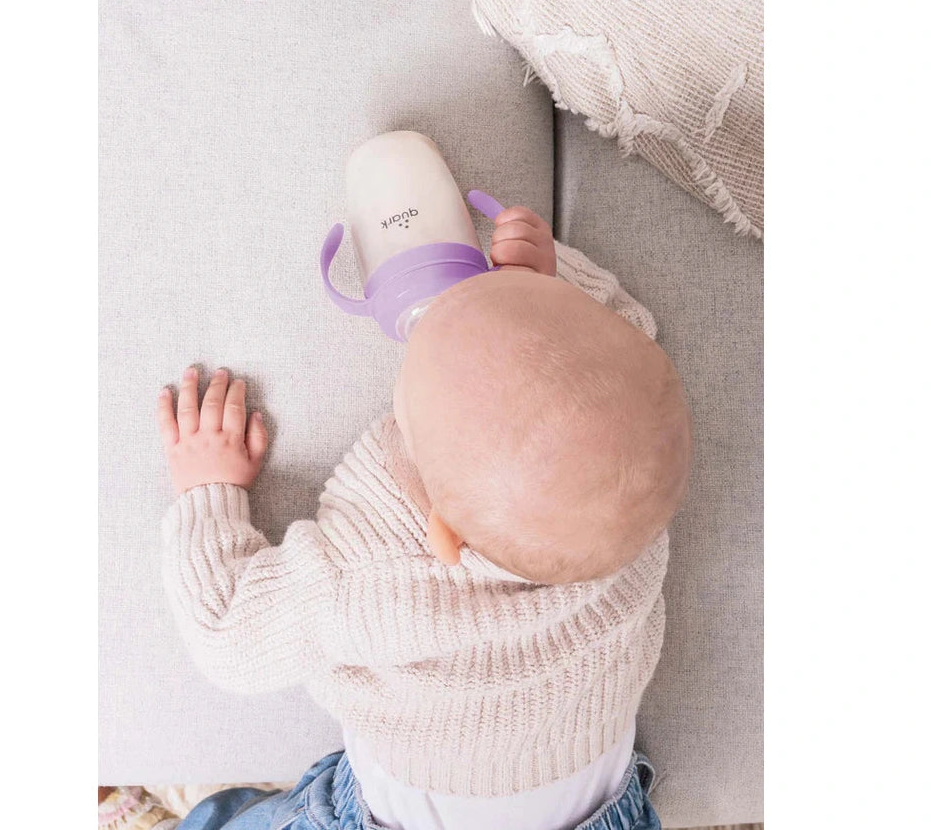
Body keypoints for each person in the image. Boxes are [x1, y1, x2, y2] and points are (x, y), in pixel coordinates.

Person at [156, 206, 691, 830]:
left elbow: (229, 634)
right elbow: (623, 337)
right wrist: (540, 291)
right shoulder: (630, 491)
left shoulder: (376, 569)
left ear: (442, 531)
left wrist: (208, 487)